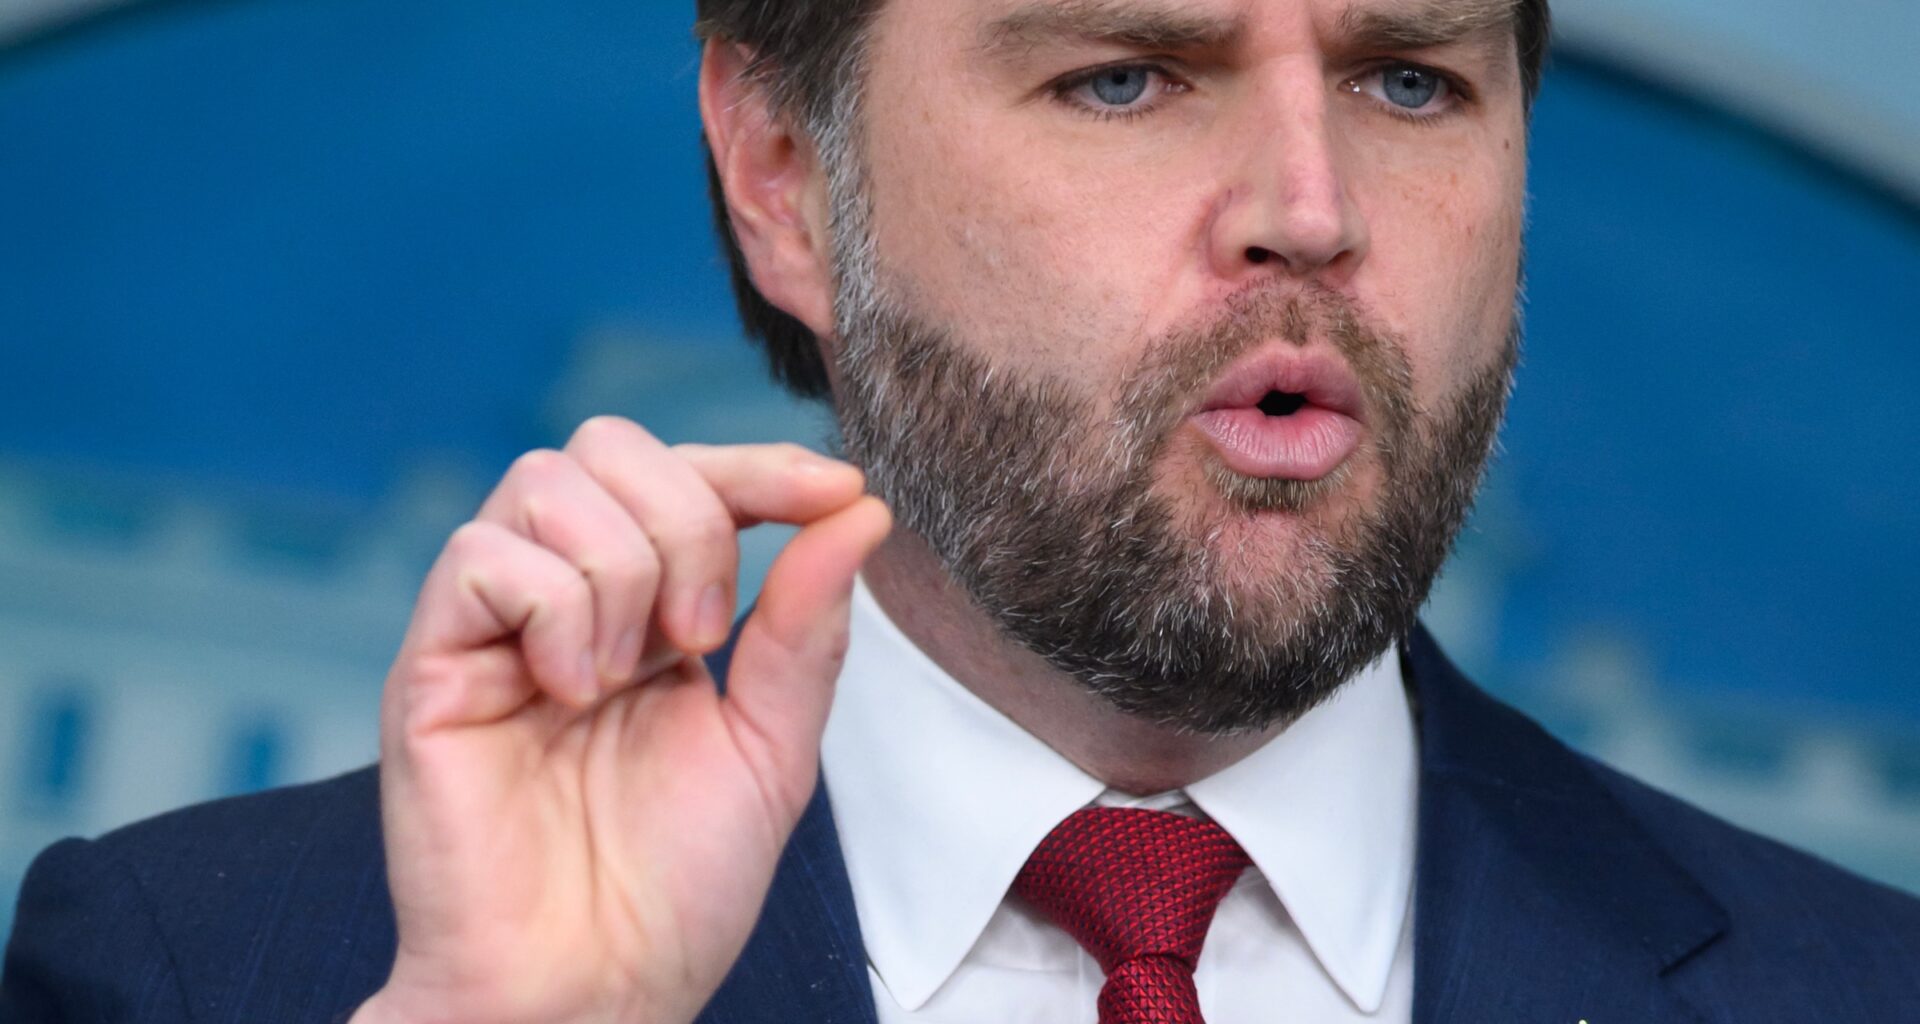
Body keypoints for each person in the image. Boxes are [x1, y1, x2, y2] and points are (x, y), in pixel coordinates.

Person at [5, 0, 1919, 1020]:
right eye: (1122, 76)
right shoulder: (206, 971)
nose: (1311, 206)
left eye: (1411, 80)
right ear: (780, 173)